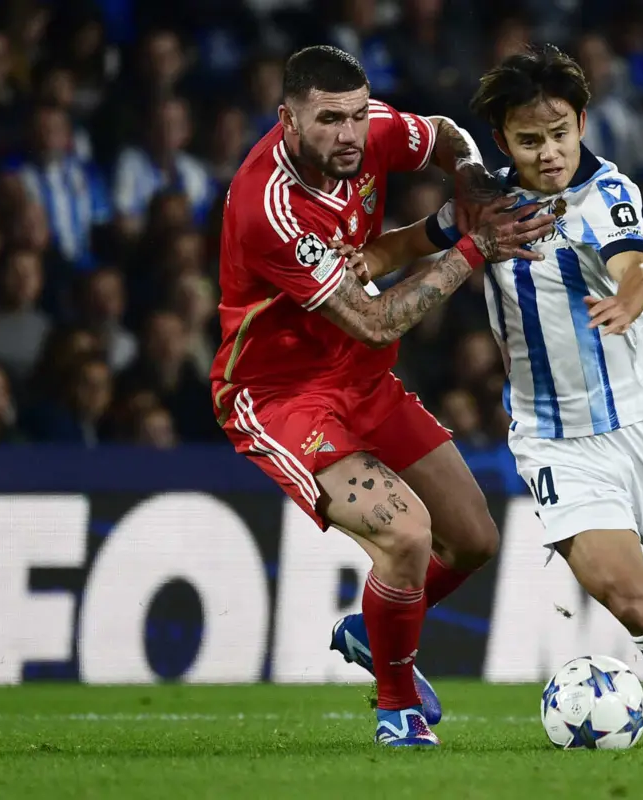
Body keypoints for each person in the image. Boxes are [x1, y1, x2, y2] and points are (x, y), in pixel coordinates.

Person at [360, 45, 643, 749]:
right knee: (635, 601)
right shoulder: (486, 203)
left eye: (560, 134)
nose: (548, 153)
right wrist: (348, 266)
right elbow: (404, 247)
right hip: (554, 441)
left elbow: (637, 269)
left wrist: (629, 301)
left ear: (581, 122)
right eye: (529, 140)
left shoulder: (610, 195)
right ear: (505, 142)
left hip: (642, 421)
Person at [210, 45, 555, 747]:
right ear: (288, 119)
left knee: (473, 539)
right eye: (328, 119)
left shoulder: (372, 132)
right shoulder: (268, 206)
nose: (348, 134)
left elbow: (448, 135)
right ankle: (397, 707)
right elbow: (375, 318)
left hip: (360, 378)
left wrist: (470, 187)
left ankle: (372, 631)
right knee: (404, 533)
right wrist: (470, 248)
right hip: (281, 395)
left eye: (357, 116)